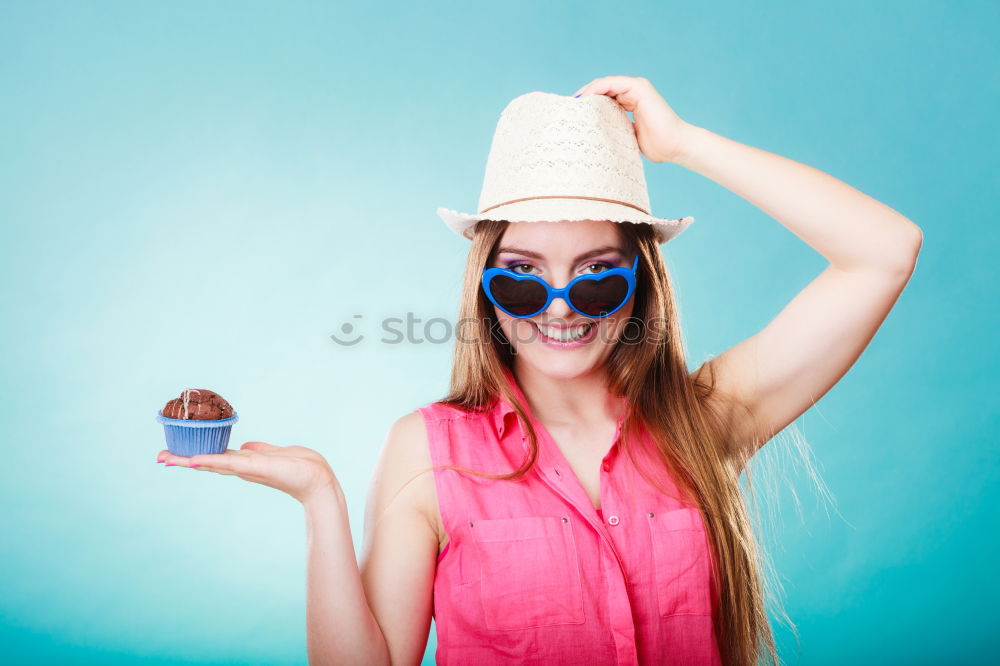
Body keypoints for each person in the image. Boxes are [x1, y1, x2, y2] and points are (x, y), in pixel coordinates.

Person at [157, 76, 923, 666]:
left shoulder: (707, 420)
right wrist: (320, 498)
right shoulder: (427, 451)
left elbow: (884, 251)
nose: (560, 308)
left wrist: (683, 142)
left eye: (596, 276)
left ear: (641, 285)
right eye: (523, 277)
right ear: (485, 289)